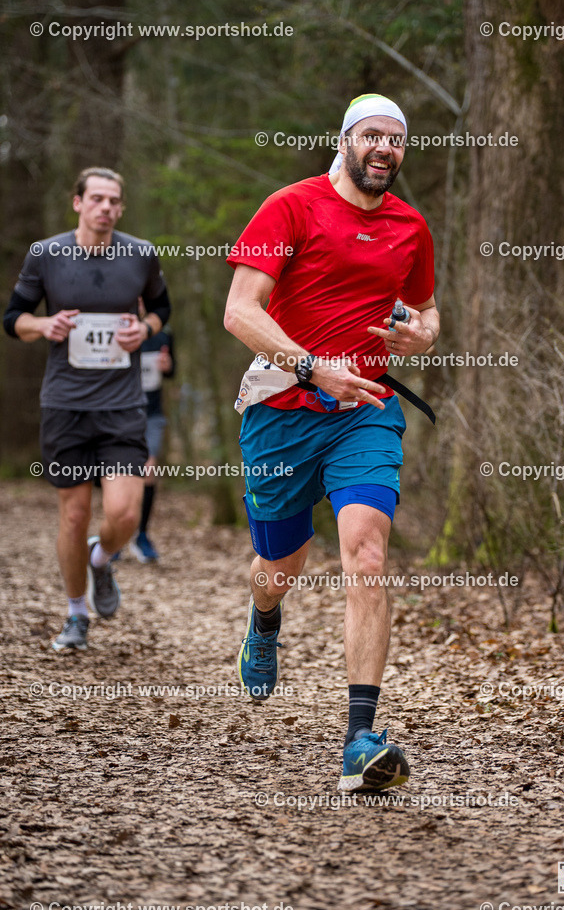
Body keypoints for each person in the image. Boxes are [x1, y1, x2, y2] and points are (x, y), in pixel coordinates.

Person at [224, 94, 439, 793]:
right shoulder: (290, 206)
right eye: (372, 135)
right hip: (283, 408)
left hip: (365, 409)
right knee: (279, 559)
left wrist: (422, 334)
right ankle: (264, 622)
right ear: (343, 140)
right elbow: (239, 310)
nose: (385, 149)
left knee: (366, 550)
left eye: (396, 140)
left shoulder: (411, 226)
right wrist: (312, 367)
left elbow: (426, 308)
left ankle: (359, 739)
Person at [3, 167, 171, 653]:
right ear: (77, 202)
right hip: (66, 405)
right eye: (96, 198)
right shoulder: (46, 255)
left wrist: (146, 328)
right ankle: (76, 613)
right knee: (74, 515)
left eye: (114, 200)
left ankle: (101, 560)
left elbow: (162, 307)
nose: (106, 207)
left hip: (121, 407)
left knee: (123, 512)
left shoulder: (140, 254)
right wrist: (44, 324)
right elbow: (12, 319)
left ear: (121, 207)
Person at [129, 304, 175, 563]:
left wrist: (167, 366)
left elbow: (172, 370)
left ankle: (142, 536)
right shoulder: (115, 330)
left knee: (148, 470)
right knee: (120, 473)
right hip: (120, 413)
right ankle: (115, 537)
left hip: (152, 415)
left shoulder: (163, 333)